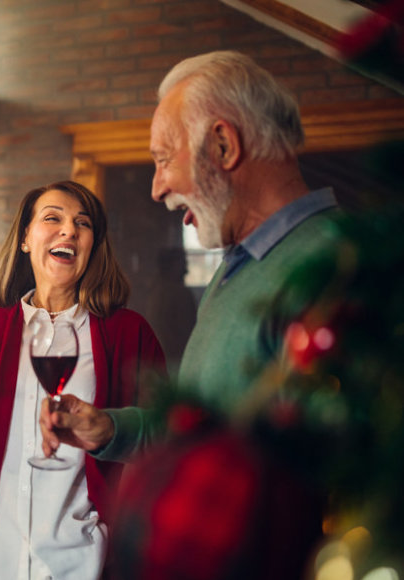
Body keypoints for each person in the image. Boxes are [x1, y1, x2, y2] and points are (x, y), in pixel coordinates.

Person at [42, 50, 342, 457]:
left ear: (222, 144)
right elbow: (199, 428)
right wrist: (110, 429)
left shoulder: (337, 266)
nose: (156, 188)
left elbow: (341, 475)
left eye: (164, 159)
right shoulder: (238, 266)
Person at [0, 180, 166, 579]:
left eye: (82, 224)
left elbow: (161, 442)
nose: (69, 230)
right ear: (24, 239)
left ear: (92, 245)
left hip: (83, 561)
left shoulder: (128, 334)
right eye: (53, 218)